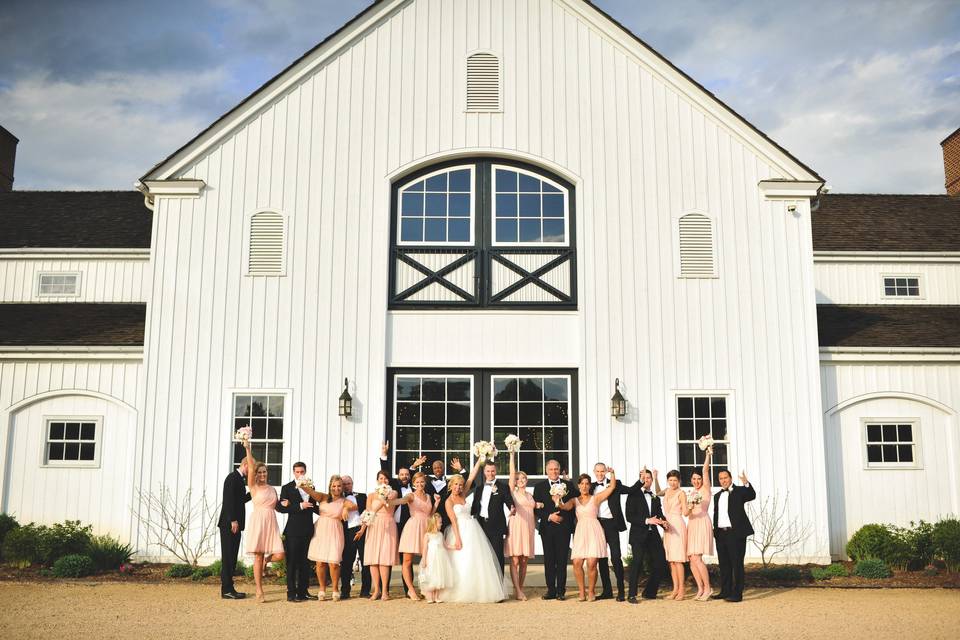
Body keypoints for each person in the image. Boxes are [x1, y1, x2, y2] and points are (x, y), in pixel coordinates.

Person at [440, 472, 505, 602]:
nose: (458, 487)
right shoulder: (449, 501)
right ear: (451, 485)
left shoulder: (463, 494)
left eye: (460, 485)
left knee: (477, 559)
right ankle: (462, 590)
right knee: (461, 559)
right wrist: (457, 539)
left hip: (473, 528)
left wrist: (480, 456)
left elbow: (470, 477)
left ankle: (479, 590)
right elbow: (453, 521)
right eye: (456, 485)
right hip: (459, 530)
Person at [562, 470, 618, 601]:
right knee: (577, 562)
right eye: (582, 483)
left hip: (594, 531)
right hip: (581, 532)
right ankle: (582, 592)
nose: (584, 486)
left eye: (587, 483)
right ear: (579, 485)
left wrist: (612, 474)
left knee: (592, 563)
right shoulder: (574, 500)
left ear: (589, 485)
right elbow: (564, 507)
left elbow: (612, 487)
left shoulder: (596, 498)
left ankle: (591, 591)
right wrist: (557, 500)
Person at [241, 441, 285, 603]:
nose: (262, 475)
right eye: (259, 472)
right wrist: (247, 447)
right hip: (258, 521)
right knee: (258, 556)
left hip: (271, 521)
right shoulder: (253, 487)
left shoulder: (272, 489)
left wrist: (285, 506)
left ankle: (267, 561)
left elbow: (277, 507)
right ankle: (259, 590)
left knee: (280, 554)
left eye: (264, 472)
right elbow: (251, 467)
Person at [304, 474, 357, 601]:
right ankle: (322, 589)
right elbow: (310, 492)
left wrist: (345, 508)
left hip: (335, 531)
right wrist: (303, 484)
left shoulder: (345, 500)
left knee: (334, 562)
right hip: (321, 530)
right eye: (334, 486)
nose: (336, 488)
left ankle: (335, 589)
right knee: (320, 562)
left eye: (339, 486)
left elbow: (355, 506)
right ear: (330, 486)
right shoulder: (323, 497)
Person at [390, 471, 441, 600]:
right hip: (413, 528)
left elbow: (430, 514)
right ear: (413, 484)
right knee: (407, 560)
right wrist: (389, 500)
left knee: (428, 559)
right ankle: (411, 590)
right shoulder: (410, 496)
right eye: (417, 482)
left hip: (426, 528)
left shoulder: (429, 496)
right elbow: (401, 501)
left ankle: (427, 588)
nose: (420, 484)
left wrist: (436, 503)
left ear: (425, 482)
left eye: (422, 481)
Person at [533, 459, 576, 600]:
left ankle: (561, 591)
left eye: (556, 469)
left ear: (559, 470)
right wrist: (549, 516)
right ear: (546, 471)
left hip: (564, 528)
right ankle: (551, 590)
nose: (554, 472)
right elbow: (536, 509)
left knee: (562, 559)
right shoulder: (539, 487)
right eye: (551, 469)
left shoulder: (568, 485)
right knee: (549, 559)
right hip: (547, 528)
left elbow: (577, 501)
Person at [624, 468, 669, 603]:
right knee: (637, 562)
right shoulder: (633, 494)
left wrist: (663, 523)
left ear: (651, 480)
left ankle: (649, 592)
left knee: (660, 562)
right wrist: (647, 520)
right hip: (638, 534)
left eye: (649, 478)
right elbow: (629, 516)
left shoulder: (654, 497)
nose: (646, 480)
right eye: (644, 477)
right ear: (640, 479)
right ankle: (631, 595)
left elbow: (659, 515)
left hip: (653, 534)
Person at [276, 461, 318, 602]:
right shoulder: (287, 488)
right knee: (292, 563)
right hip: (293, 531)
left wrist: (328, 509)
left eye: (302, 471)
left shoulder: (311, 487)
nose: (300, 474)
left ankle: (303, 592)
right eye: (297, 472)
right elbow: (281, 508)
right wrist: (299, 505)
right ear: (294, 472)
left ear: (305, 472)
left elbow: (314, 506)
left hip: (307, 530)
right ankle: (291, 593)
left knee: (305, 563)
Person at [712, 469, 756, 602]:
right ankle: (725, 591)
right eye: (720, 478)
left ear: (730, 478)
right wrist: (715, 532)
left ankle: (737, 593)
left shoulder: (739, 491)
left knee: (737, 564)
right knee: (724, 564)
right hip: (721, 534)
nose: (723, 480)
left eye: (725, 477)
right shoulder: (717, 496)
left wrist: (746, 483)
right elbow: (716, 514)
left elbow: (751, 495)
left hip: (735, 533)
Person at [505, 448, 542, 601]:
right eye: (518, 479)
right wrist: (512, 455)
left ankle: (519, 588)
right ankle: (518, 590)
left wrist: (539, 505)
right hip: (515, 527)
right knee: (515, 559)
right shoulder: (512, 492)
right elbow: (512, 473)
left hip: (528, 528)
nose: (521, 480)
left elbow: (533, 507)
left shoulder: (530, 495)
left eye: (523, 478)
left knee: (524, 560)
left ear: (526, 481)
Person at [359, 470, 399, 601]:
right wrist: (362, 529)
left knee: (384, 560)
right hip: (374, 526)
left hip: (387, 523)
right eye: (381, 478)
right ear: (377, 480)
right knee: (373, 560)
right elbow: (368, 512)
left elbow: (387, 504)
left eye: (386, 479)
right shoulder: (371, 495)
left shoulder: (393, 493)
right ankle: (376, 590)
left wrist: (384, 495)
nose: (383, 481)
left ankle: (385, 591)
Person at [470, 458, 514, 573]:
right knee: (483, 556)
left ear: (496, 471)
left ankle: (499, 585)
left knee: (498, 556)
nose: (490, 473)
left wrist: (512, 508)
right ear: (484, 472)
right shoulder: (479, 489)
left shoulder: (503, 487)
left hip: (496, 527)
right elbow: (474, 507)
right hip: (481, 526)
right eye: (488, 471)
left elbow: (509, 501)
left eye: (492, 471)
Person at [217, 456, 251, 599]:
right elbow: (229, 500)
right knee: (228, 557)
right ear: (245, 464)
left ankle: (229, 588)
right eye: (252, 468)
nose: (253, 471)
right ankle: (227, 590)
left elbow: (240, 500)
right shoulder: (232, 478)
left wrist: (253, 493)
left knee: (232, 556)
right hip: (229, 524)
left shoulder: (239, 479)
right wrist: (233, 520)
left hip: (233, 523)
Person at [592, 461, 627, 601]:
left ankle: (621, 590)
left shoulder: (615, 483)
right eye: (597, 471)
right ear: (594, 472)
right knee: (601, 558)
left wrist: (642, 481)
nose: (600, 474)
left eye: (602, 471)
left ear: (606, 471)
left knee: (616, 557)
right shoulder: (591, 487)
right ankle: (607, 590)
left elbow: (629, 490)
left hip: (612, 524)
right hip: (598, 523)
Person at [685, 447, 714, 601]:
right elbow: (687, 513)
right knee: (691, 559)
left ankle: (708, 588)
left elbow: (705, 471)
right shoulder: (691, 492)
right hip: (692, 523)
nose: (697, 481)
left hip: (702, 522)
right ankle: (700, 589)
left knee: (697, 558)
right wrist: (688, 508)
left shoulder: (705, 489)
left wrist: (708, 455)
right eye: (694, 479)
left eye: (698, 478)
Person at [340, 475, 371, 599]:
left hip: (362, 530)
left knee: (366, 562)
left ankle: (365, 591)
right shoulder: (338, 499)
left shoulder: (362, 496)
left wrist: (347, 507)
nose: (347, 486)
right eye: (344, 484)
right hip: (347, 533)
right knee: (347, 563)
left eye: (349, 483)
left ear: (352, 483)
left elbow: (367, 510)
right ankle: (345, 591)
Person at [660, 470, 689, 600]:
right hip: (667, 525)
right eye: (670, 480)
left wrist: (694, 503)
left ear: (679, 481)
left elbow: (686, 512)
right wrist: (655, 478)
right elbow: (657, 492)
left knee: (678, 560)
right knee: (671, 560)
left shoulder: (681, 493)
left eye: (675, 480)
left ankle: (682, 590)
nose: (673, 483)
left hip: (677, 524)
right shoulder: (666, 491)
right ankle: (675, 589)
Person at [418, 513, 454, 604]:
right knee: (431, 576)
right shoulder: (427, 535)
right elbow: (425, 549)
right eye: (440, 523)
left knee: (438, 576)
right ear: (434, 523)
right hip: (431, 559)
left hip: (440, 558)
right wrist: (424, 560)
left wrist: (454, 547)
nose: (441, 524)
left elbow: (445, 546)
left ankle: (437, 596)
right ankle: (430, 596)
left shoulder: (440, 535)